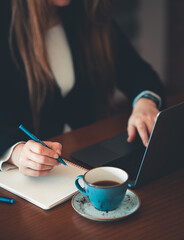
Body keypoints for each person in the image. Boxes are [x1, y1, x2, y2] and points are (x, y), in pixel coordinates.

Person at [0, 0, 165, 177]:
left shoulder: (86, 11)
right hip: (31, 178)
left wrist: (145, 102)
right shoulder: (6, 18)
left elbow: (138, 72)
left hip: (86, 160)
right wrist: (16, 152)